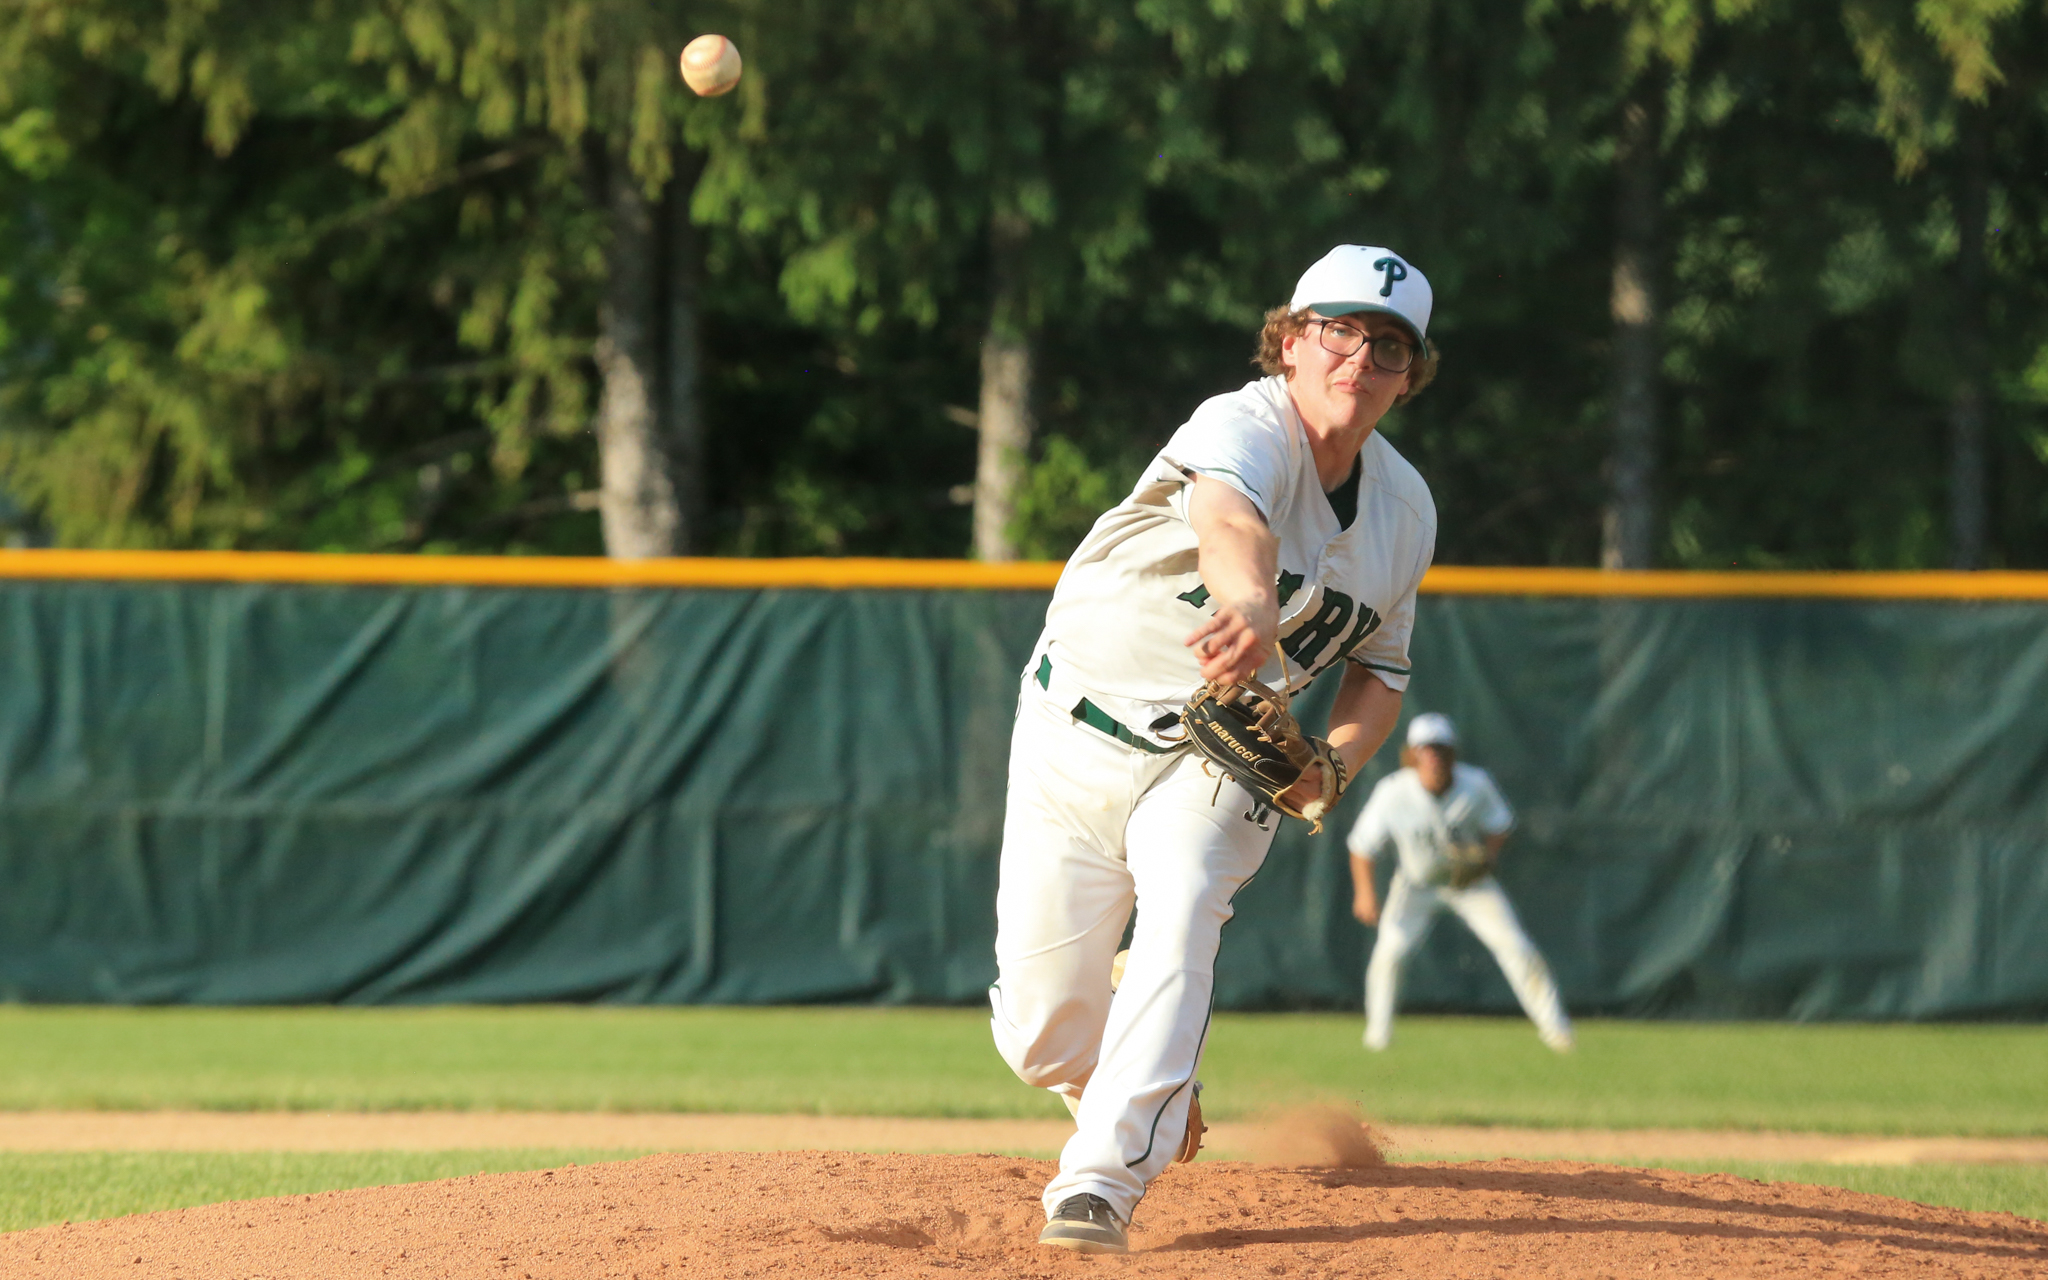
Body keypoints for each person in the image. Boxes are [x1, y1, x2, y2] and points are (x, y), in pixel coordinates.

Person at [990, 245, 1440, 1255]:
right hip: (1074, 722)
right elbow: (1225, 516)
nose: (1357, 357)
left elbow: (1384, 667)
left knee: (1188, 893)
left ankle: (1096, 1184)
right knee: (1036, 1034)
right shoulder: (1243, 422)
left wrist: (1333, 758)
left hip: (1217, 750)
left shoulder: (1405, 513)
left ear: (1409, 375)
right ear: (1289, 341)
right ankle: (1152, 1082)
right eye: (1336, 329)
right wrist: (1246, 601)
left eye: (1387, 344)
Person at [1348, 712, 1573, 1053]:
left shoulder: (1476, 784)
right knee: (1390, 952)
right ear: (1411, 754)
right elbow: (1361, 846)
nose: (1433, 756)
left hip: (1469, 885)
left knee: (1516, 947)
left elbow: (1500, 825)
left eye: (1440, 749)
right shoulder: (1393, 791)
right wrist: (1365, 893)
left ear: (1453, 753)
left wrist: (1487, 856)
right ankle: (1378, 1036)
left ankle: (1557, 1032)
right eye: (1425, 749)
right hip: (1416, 885)